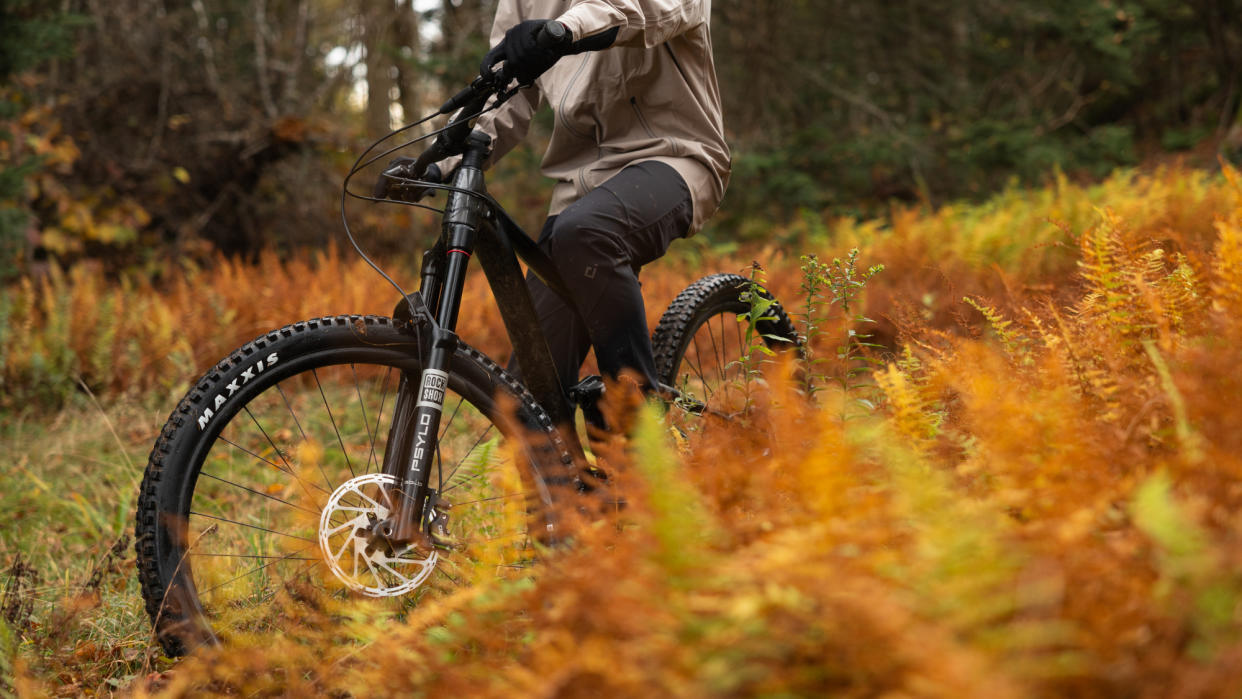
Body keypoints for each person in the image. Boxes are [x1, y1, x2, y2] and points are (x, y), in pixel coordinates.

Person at [451, 1, 731, 420]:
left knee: (586, 232)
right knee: (525, 406)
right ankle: (571, 486)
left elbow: (644, 10)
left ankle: (637, 429)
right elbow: (507, 89)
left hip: (676, 157)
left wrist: (562, 30)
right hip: (580, 190)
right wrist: (439, 158)